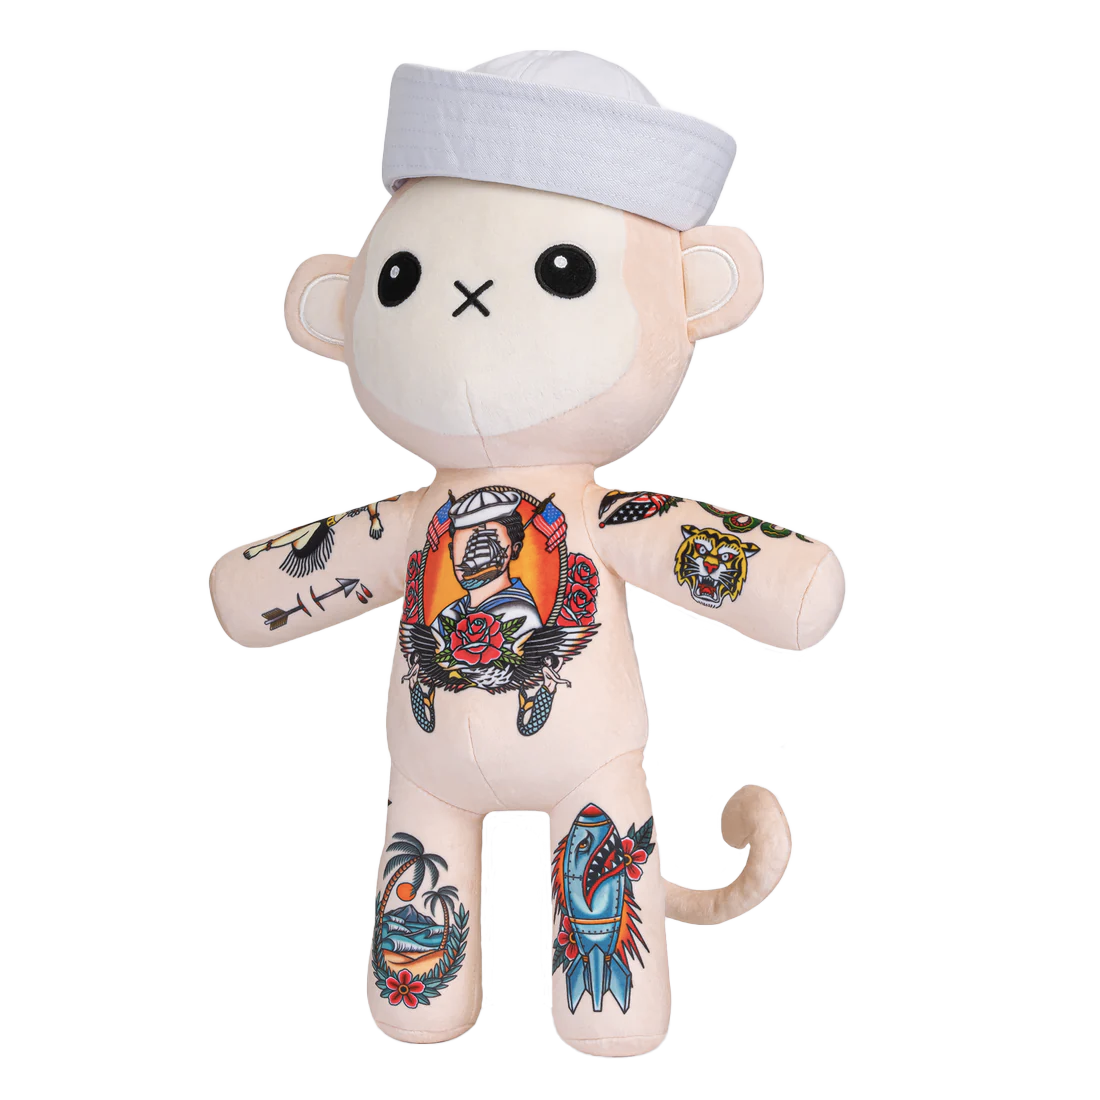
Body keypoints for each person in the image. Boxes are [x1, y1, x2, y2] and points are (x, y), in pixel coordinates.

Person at [431, 490, 543, 635]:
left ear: (515, 550)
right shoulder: (448, 615)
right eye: (462, 545)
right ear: (451, 551)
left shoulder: (520, 614)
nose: (467, 559)